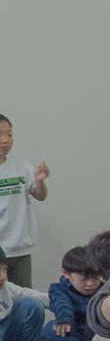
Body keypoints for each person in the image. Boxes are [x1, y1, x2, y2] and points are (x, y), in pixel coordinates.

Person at [0, 114, 51, 287]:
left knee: (24, 301)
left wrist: (39, 180)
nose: (5, 140)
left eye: (9, 134)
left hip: (19, 248)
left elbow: (40, 195)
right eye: (0, 134)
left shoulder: (21, 166)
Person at [43, 247, 102, 341]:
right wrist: (64, 319)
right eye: (83, 279)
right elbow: (62, 305)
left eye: (95, 278)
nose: (90, 284)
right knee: (52, 328)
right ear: (65, 273)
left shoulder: (104, 289)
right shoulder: (58, 289)